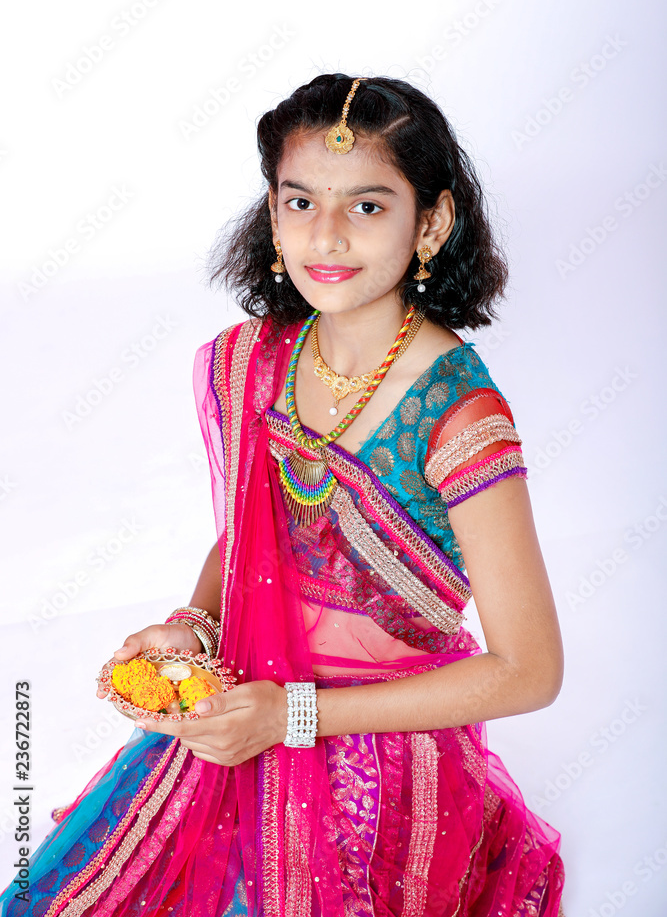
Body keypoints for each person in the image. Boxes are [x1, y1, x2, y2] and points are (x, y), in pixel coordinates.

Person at [2, 73, 566, 916]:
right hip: (242, 705)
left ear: (431, 222)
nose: (326, 235)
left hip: (376, 742)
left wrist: (293, 717)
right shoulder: (260, 359)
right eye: (301, 202)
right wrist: (194, 627)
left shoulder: (458, 415)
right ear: (272, 212)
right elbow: (254, 535)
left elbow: (528, 672)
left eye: (367, 206)